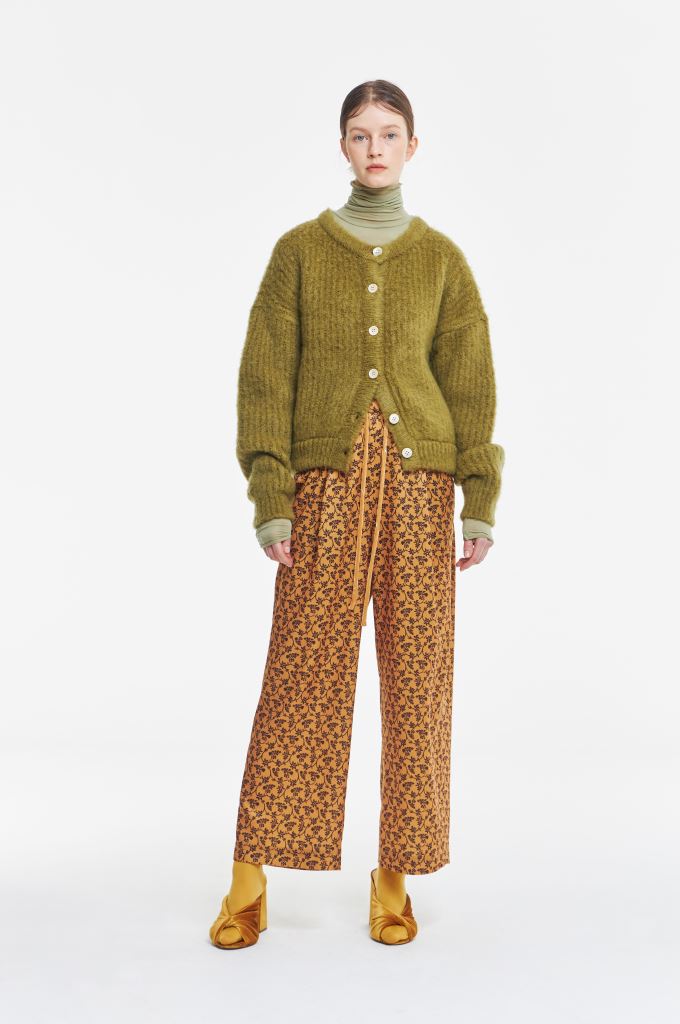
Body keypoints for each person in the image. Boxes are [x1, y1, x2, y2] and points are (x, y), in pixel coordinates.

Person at [209, 79, 505, 949]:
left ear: (413, 146)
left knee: (418, 684)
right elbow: (265, 378)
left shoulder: (442, 260)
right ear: (342, 146)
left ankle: (394, 877)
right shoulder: (300, 253)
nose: (375, 148)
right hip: (326, 489)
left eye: (390, 133)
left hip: (421, 491)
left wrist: (479, 500)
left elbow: (470, 382)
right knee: (300, 677)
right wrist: (273, 498)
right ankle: (249, 878)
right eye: (360, 134)